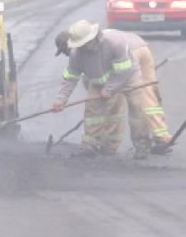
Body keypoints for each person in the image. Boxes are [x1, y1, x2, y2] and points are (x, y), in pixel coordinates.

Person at [53, 20, 164, 158]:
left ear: (92, 38)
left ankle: (141, 144)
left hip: (128, 77)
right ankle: (90, 144)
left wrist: (109, 89)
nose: (81, 47)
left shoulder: (114, 43)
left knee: (137, 107)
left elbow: (123, 71)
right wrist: (61, 100)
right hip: (99, 82)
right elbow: (70, 77)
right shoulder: (76, 54)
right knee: (92, 109)